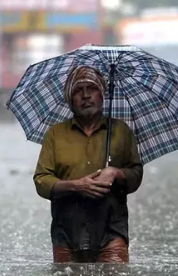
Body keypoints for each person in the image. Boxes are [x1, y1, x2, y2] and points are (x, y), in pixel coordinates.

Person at [33, 65, 143, 263]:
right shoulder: (56, 135)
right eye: (77, 91)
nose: (85, 96)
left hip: (111, 231)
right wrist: (76, 185)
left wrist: (116, 173)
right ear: (70, 100)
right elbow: (42, 181)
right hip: (66, 232)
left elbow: (136, 176)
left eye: (91, 89)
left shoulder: (120, 132)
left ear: (102, 95)